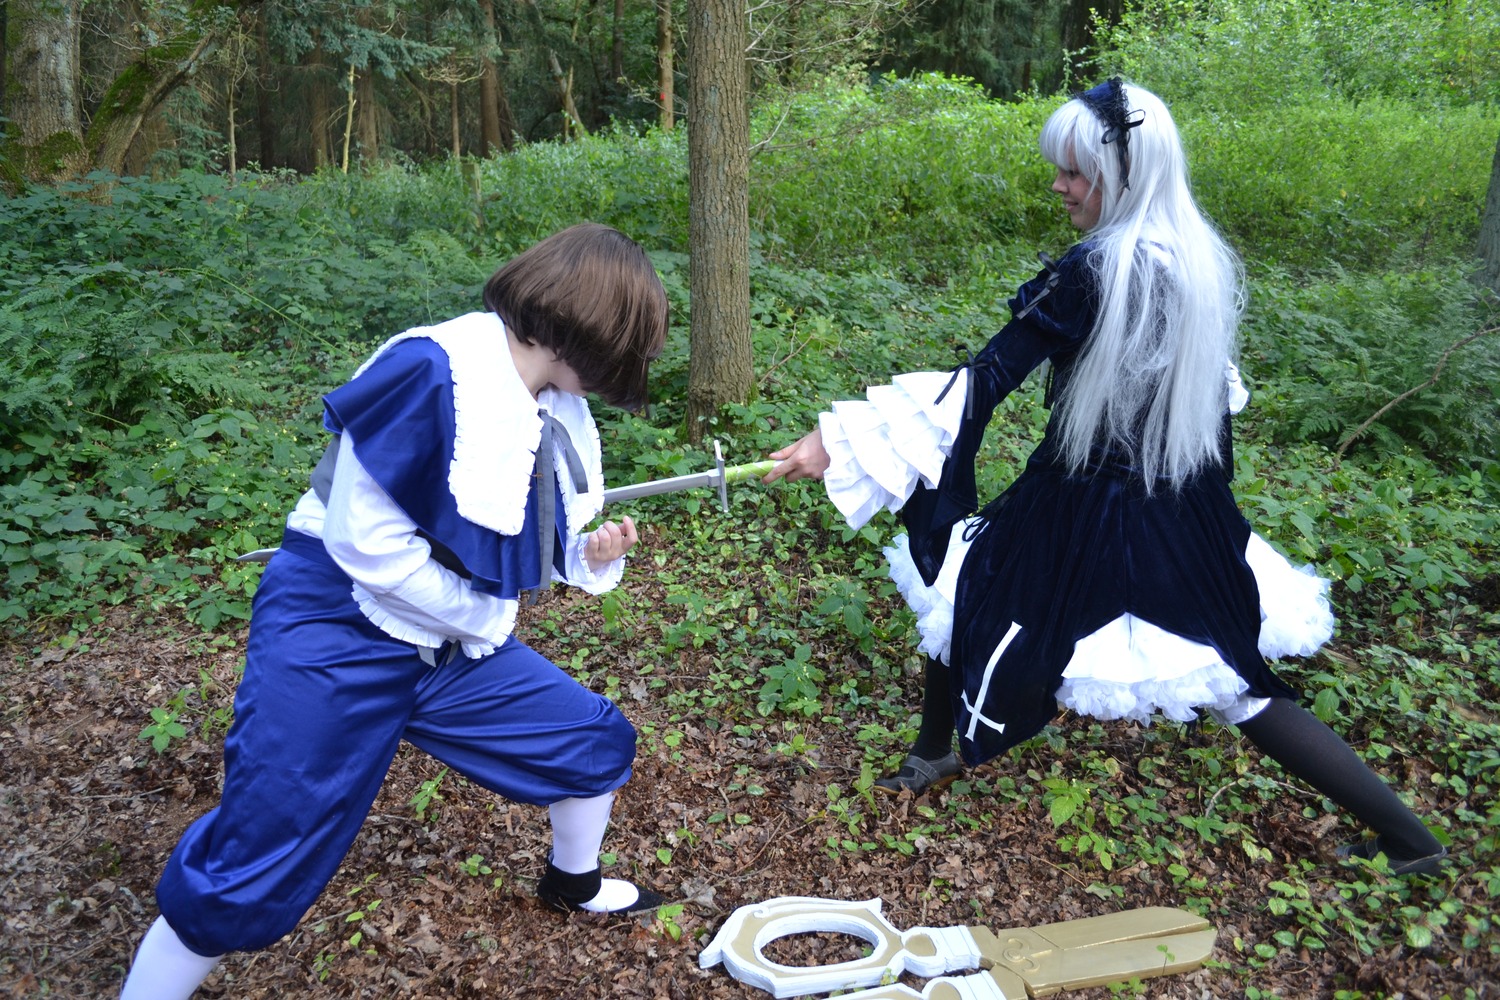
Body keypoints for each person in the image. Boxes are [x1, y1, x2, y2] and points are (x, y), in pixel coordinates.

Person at [766, 81, 1446, 877]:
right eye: (1062, 169)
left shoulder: (1095, 268)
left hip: (1093, 500)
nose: (1060, 185)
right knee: (987, 594)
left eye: (1077, 172)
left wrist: (838, 441)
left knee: (983, 590)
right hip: (1175, 500)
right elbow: (1212, 408)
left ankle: (929, 754)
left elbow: (983, 380)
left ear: (1128, 175)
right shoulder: (1192, 258)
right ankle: (1411, 840)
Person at [119, 223, 671, 1000]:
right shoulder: (433, 368)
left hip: (446, 634)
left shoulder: (548, 401)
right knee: (260, 845)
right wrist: (482, 622)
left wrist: (587, 556)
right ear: (584, 328)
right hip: (337, 621)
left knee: (592, 740)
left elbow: (513, 534)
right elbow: (366, 545)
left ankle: (571, 885)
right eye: (623, 351)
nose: (619, 378)